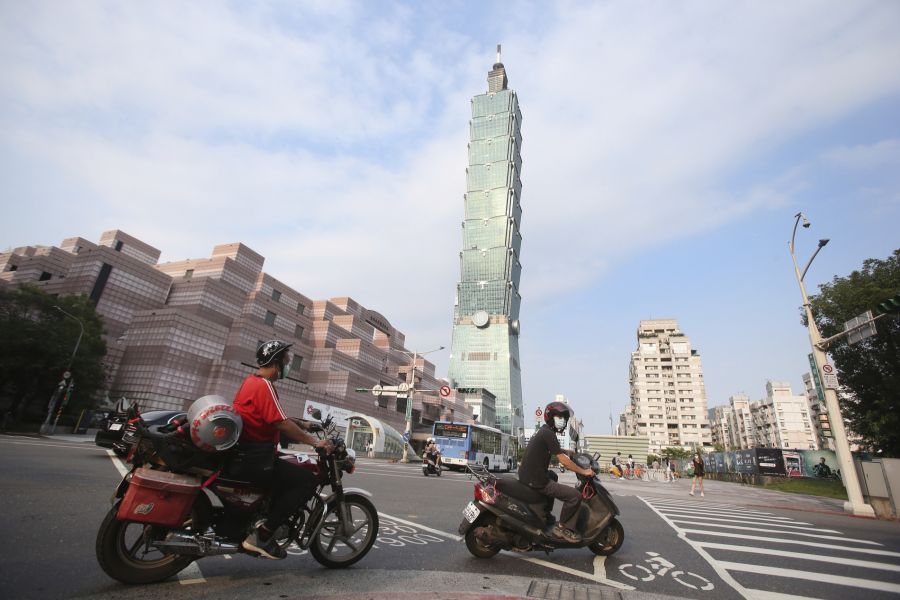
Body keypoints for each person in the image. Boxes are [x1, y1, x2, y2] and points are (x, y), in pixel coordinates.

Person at [232, 340, 334, 560]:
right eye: (286, 361)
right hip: (256, 457)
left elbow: (274, 416)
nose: (288, 366)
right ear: (276, 362)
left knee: (289, 470)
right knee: (307, 480)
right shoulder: (264, 386)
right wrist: (314, 442)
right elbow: (280, 423)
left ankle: (263, 518)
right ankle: (263, 534)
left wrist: (304, 424)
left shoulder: (251, 381)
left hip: (248, 453)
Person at [518, 401, 594, 544]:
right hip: (536, 480)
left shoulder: (545, 431)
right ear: (550, 417)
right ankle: (562, 528)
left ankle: (545, 514)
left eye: (564, 418)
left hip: (529, 475)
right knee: (574, 496)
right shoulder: (548, 434)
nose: (563, 421)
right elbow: (564, 462)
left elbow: (554, 449)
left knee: (553, 475)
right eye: (559, 417)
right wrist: (583, 471)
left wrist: (567, 451)